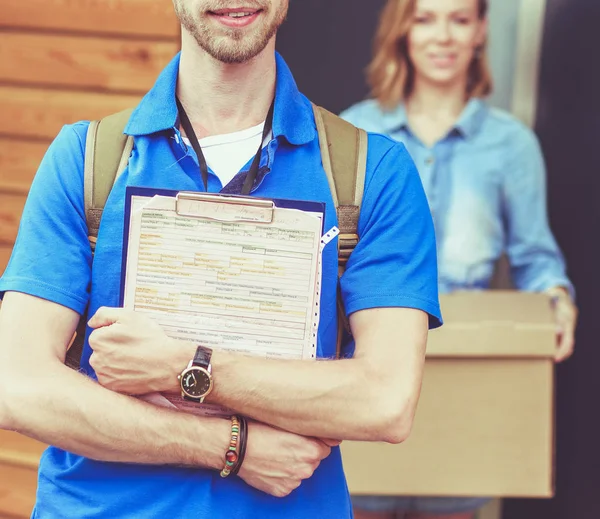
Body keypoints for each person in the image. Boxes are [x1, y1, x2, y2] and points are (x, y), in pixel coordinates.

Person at [0, 1, 443, 518]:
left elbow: (384, 402)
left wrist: (181, 365)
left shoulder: (372, 174)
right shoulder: (86, 159)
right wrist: (232, 446)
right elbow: (18, 386)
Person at [341, 0, 578, 518]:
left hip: (466, 393)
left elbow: (535, 258)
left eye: (460, 19)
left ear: (480, 31)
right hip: (368, 381)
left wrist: (557, 299)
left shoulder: (511, 145)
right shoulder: (355, 134)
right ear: (402, 30)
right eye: (425, 19)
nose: (443, 36)